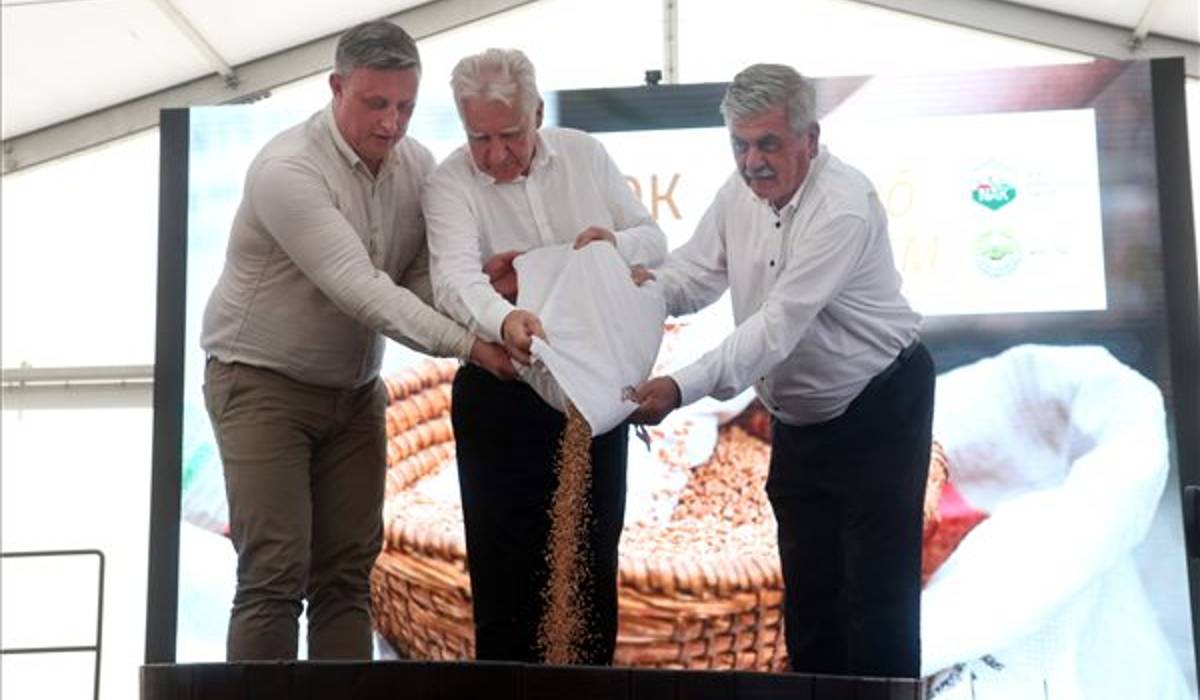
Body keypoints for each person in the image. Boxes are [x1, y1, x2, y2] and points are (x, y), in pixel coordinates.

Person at [200, 20, 512, 661]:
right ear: (336, 87)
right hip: (260, 383)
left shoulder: (417, 165)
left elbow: (421, 280)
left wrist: (490, 304)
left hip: (354, 391)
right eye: (376, 103)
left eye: (405, 106)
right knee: (275, 571)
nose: (392, 123)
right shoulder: (288, 169)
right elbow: (362, 289)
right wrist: (474, 345)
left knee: (348, 575)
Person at [631, 63, 934, 679]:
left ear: (810, 139)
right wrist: (630, 288)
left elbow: (776, 327)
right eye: (740, 145)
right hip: (800, 416)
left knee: (878, 601)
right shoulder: (736, 193)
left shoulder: (843, 207)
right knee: (810, 597)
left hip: (880, 406)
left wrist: (678, 387)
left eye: (767, 144)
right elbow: (695, 274)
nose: (752, 163)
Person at [423, 48, 667, 664]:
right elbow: (453, 278)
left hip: (590, 393)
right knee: (503, 572)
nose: (495, 154)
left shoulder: (583, 154)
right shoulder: (450, 183)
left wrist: (611, 244)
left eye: (510, 134)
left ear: (536, 113)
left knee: (590, 565)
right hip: (502, 385)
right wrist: (505, 319)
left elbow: (652, 238)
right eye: (479, 138)